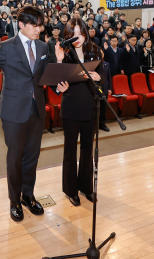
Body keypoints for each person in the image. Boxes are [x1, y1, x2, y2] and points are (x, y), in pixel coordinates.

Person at [0, 6, 47, 222]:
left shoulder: (44, 46)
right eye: (34, 25)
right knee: (15, 158)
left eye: (40, 25)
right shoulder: (7, 47)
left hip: (36, 111)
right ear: (21, 25)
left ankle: (28, 195)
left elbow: (46, 77)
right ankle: (14, 200)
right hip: (13, 112)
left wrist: (59, 85)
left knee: (32, 157)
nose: (39, 29)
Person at [54, 18, 103, 206]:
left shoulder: (94, 52)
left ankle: (86, 188)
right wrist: (59, 63)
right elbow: (55, 84)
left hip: (90, 107)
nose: (78, 37)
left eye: (81, 33)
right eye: (73, 34)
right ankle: (71, 190)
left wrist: (98, 77)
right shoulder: (64, 54)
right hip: (71, 108)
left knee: (87, 150)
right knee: (70, 151)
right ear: (67, 35)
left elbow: (103, 77)